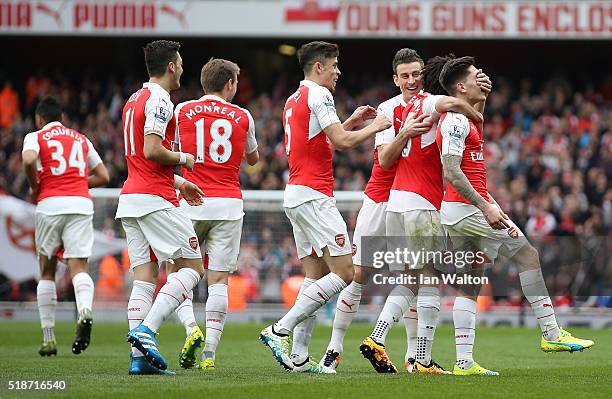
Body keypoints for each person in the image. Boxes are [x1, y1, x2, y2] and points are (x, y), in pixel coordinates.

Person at [436, 56, 594, 367]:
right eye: (475, 77)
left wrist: (483, 96)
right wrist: (485, 205)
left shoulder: (465, 118)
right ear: (460, 87)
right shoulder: (454, 119)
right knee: (528, 256)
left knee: (470, 283)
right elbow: (451, 170)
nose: (482, 79)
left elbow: (474, 128)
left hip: (459, 209)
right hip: (468, 209)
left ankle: (464, 363)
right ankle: (551, 332)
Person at [259, 40, 392, 373]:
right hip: (315, 196)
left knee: (315, 274)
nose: (338, 71)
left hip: (297, 193)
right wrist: (375, 127)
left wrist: (353, 121)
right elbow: (343, 144)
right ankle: (279, 330)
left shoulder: (294, 98)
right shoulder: (320, 95)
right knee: (346, 273)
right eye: (334, 65)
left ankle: (301, 357)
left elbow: (324, 141)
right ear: (318, 67)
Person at [359, 54, 486, 375]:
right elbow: (452, 107)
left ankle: (419, 358)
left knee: (418, 279)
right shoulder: (431, 103)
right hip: (420, 203)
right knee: (425, 279)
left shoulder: (410, 107)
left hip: (398, 202)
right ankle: (384, 341)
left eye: (417, 75)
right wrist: (476, 111)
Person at [319, 48, 427, 371]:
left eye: (416, 74)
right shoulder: (388, 110)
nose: (411, 81)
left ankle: (412, 355)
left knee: (411, 279)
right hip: (381, 198)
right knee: (359, 275)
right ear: (395, 79)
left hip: (412, 200)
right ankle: (334, 347)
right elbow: (384, 159)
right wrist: (406, 131)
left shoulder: (432, 106)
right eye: (404, 75)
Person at [117, 40, 205, 375]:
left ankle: (139, 361)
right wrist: (185, 160)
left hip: (132, 198)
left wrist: (179, 181)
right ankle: (146, 331)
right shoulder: (160, 99)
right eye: (180, 63)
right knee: (192, 267)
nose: (183, 68)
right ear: (171, 66)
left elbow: (139, 157)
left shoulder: (133, 99)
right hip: (155, 199)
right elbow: (152, 150)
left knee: (145, 278)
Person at [173, 58, 259, 371]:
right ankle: (209, 352)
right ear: (229, 85)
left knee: (179, 273)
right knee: (218, 280)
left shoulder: (182, 110)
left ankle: (189, 329)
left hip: (190, 201)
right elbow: (253, 159)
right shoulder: (243, 116)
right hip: (228, 204)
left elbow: (169, 149)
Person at [22, 96, 110, 357]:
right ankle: (84, 312)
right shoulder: (81, 139)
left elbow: (28, 161)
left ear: (39, 119)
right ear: (61, 118)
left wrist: (35, 185)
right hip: (81, 205)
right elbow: (104, 176)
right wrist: (79, 184)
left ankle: (49, 338)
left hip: (50, 204)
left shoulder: (35, 137)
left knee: (47, 271)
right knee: (78, 267)